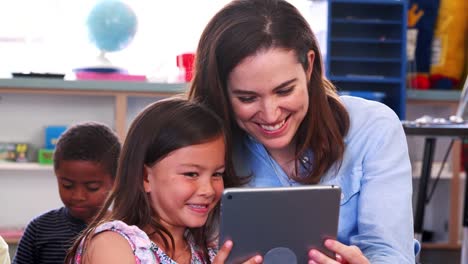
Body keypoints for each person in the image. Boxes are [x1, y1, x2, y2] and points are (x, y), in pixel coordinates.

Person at [188, 0, 415, 263]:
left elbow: (392, 253)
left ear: (309, 66)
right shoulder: (202, 142)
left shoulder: (373, 127)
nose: (271, 115)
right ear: (221, 93)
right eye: (247, 98)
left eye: (284, 90)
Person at [66, 98, 262, 264]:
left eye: (217, 174)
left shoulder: (208, 254)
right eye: (191, 174)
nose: (208, 189)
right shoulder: (111, 243)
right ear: (145, 177)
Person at [13, 122, 121, 264]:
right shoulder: (39, 229)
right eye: (67, 185)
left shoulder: (125, 230)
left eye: (92, 187)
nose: (78, 196)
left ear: (115, 180)